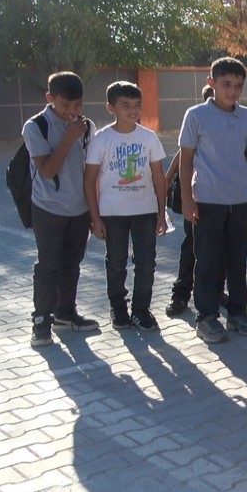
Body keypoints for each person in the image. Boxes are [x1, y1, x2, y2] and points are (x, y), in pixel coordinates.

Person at [179, 57, 247, 343]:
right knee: (208, 262)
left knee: (237, 261)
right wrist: (187, 200)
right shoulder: (196, 115)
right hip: (208, 200)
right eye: (226, 84)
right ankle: (207, 318)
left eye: (238, 85)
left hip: (240, 200)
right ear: (211, 83)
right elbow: (185, 161)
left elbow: (246, 154)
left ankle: (238, 314)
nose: (232, 91)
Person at [83, 81, 168, 332]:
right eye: (126, 105)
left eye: (137, 105)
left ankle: (141, 310)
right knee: (116, 262)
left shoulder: (149, 138)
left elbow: (159, 178)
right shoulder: (101, 140)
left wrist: (162, 215)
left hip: (145, 212)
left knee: (146, 263)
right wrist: (95, 218)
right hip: (113, 213)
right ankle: (118, 307)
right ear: (111, 107)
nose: (133, 110)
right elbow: (89, 181)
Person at [26, 71, 99, 346]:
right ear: (50, 98)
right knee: (48, 265)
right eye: (65, 105)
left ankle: (66, 314)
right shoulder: (36, 127)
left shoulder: (87, 127)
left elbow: (92, 173)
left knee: (72, 263)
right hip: (48, 208)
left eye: (77, 105)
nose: (72, 111)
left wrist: (95, 213)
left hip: (79, 209)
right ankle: (41, 322)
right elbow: (46, 170)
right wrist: (68, 138)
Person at [166, 85, 227, 318]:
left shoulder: (231, 119)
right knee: (191, 246)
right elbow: (184, 154)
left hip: (221, 196)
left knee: (220, 247)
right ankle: (180, 294)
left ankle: (217, 292)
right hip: (196, 193)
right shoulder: (198, 117)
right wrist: (169, 178)